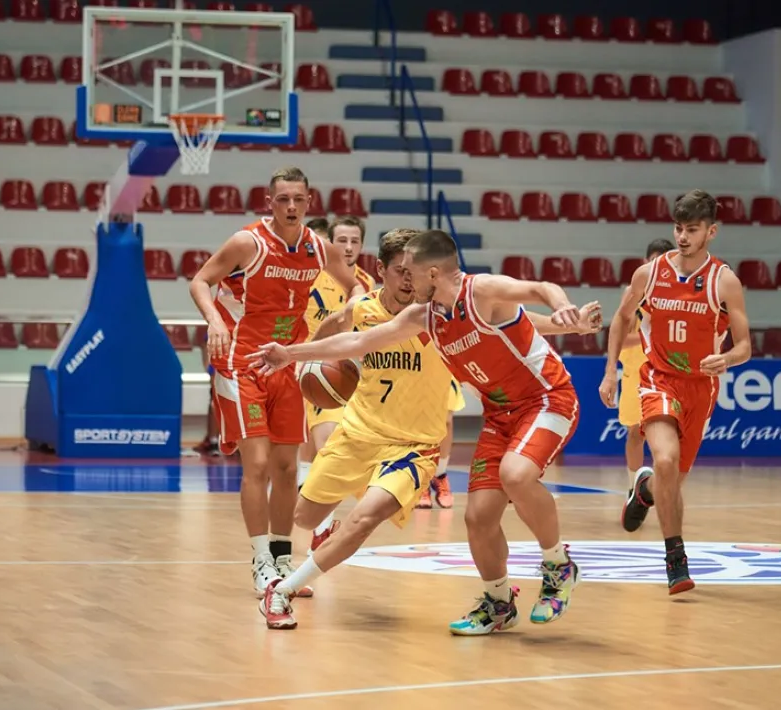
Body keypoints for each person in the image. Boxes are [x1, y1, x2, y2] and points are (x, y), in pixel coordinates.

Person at [250, 229, 603, 635]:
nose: (407, 281)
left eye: (411, 274)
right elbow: (361, 339)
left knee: (515, 474)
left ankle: (558, 565)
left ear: (433, 274)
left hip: (546, 399)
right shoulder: (425, 316)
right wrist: (288, 354)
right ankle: (499, 601)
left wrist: (565, 310)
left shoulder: (482, 290)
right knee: (478, 518)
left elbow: (542, 287)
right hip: (498, 415)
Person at [250, 228, 463, 628]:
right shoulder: (361, 309)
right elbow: (335, 331)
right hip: (359, 432)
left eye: (412, 272)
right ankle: (344, 506)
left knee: (363, 521)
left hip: (412, 446)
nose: (406, 280)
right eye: (399, 271)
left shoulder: (440, 314)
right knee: (304, 518)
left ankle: (282, 593)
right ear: (380, 271)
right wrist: (302, 362)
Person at [189, 166, 365, 598]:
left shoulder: (318, 248)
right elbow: (201, 280)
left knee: (288, 470)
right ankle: (260, 562)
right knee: (260, 465)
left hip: (287, 364)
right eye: (282, 199)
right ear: (270, 202)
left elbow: (357, 286)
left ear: (309, 202)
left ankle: (284, 562)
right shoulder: (247, 242)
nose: (290, 206)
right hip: (241, 362)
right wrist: (214, 319)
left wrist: (346, 319)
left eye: (298, 199)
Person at [598, 189, 753, 595]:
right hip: (656, 378)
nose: (683, 237)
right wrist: (611, 372)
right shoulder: (649, 274)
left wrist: (728, 360)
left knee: (671, 481)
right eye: (679, 229)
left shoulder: (725, 281)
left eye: (693, 229)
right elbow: (619, 319)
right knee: (665, 459)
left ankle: (643, 492)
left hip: (700, 388)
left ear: (711, 232)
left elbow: (744, 346)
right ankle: (675, 558)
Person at [297, 215, 376, 552]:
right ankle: (320, 527)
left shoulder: (367, 282)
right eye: (340, 240)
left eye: (354, 241)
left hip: (345, 369)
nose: (347, 247)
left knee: (317, 447)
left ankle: (312, 515)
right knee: (324, 442)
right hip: (311, 364)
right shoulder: (310, 274)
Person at [615, 239, 674, 502]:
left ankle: (660, 487)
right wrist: (649, 334)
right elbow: (621, 339)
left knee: (665, 433)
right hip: (635, 368)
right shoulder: (632, 292)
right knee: (635, 433)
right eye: (651, 261)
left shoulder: (677, 295)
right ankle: (633, 489)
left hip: (665, 369)